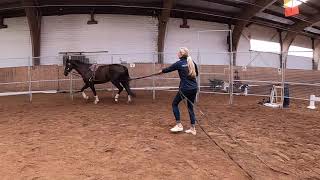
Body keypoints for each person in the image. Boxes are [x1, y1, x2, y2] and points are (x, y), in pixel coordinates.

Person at [159, 47, 199, 135]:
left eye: (178, 53)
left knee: (174, 104)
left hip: (185, 89)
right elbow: (197, 74)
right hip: (194, 88)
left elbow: (168, 69)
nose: (177, 54)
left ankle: (179, 125)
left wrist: (161, 71)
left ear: (181, 54)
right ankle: (193, 128)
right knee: (190, 107)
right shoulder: (192, 62)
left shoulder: (179, 63)